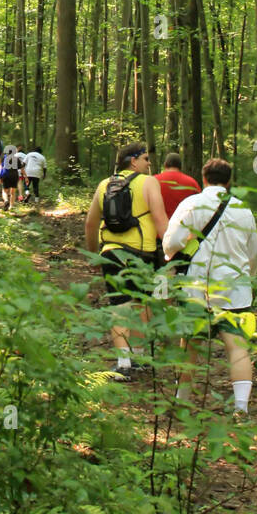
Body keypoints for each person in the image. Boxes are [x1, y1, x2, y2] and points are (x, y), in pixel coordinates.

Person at [162, 157, 257, 421]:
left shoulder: (191, 204)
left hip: (196, 287)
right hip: (234, 289)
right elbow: (253, 254)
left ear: (203, 178)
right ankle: (241, 408)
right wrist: (247, 279)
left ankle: (182, 402)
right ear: (229, 182)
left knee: (190, 345)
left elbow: (170, 244)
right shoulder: (243, 209)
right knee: (237, 348)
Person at [84, 142, 168, 381]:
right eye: (146, 159)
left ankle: (123, 364)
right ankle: (139, 358)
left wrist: (93, 255)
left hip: (111, 252)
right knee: (142, 303)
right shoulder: (149, 182)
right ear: (133, 161)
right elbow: (161, 221)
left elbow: (90, 224)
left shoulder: (104, 185)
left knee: (119, 305)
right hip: (143, 252)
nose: (149, 164)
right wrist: (172, 252)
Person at [155, 151, 200, 218]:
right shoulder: (192, 182)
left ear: (165, 164)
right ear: (180, 166)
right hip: (184, 225)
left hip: (158, 225)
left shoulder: (154, 181)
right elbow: (199, 206)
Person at [0, 143, 21, 210]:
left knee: (4, 190)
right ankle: (11, 206)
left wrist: (0, 176)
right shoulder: (16, 159)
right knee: (13, 192)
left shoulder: (4, 158)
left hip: (6, 175)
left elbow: (1, 167)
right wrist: (26, 177)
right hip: (14, 175)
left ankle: (6, 201)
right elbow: (21, 168)